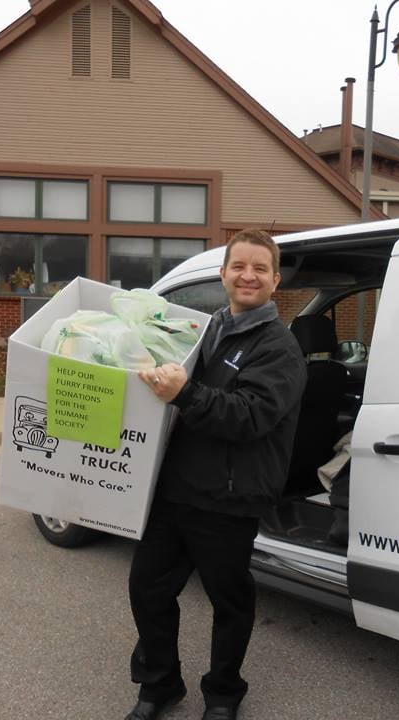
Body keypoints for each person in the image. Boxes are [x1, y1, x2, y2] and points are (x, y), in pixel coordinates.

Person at [126, 229, 306, 720]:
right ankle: (160, 684)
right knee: (147, 587)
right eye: (239, 266)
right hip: (175, 489)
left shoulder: (280, 347)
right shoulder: (202, 331)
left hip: (229, 498)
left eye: (260, 268)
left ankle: (223, 694)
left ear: (275, 280)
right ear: (223, 274)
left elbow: (250, 415)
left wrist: (184, 393)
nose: (248, 275)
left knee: (229, 602)